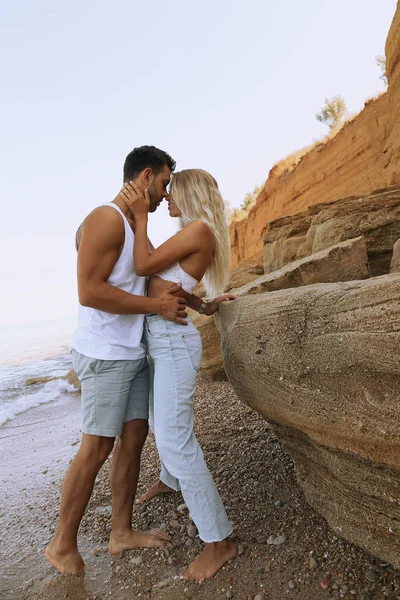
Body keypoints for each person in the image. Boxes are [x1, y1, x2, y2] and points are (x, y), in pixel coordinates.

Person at [45, 146, 190, 576]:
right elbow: (88, 292)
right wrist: (156, 310)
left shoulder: (133, 223)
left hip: (131, 351)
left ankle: (121, 531)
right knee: (97, 446)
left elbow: (149, 276)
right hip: (104, 353)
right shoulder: (107, 218)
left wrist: (205, 303)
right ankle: (61, 544)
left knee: (134, 437)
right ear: (146, 176)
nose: (166, 195)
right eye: (163, 183)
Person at [120, 169, 237, 584]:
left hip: (171, 341)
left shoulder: (198, 228)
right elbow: (169, 284)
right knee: (166, 426)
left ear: (190, 194)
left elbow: (142, 264)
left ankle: (219, 541)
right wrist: (205, 307)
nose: (166, 197)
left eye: (173, 191)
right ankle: (170, 480)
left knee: (174, 438)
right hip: (163, 336)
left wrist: (139, 214)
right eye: (163, 191)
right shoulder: (193, 231)